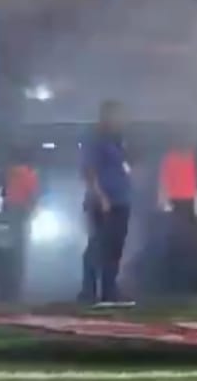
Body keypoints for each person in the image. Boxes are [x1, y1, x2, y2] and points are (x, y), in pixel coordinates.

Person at [80, 100, 134, 306]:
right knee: (97, 246)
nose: (121, 119)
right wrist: (101, 196)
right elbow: (89, 170)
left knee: (115, 248)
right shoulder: (95, 139)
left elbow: (123, 166)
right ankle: (88, 292)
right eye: (117, 115)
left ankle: (110, 291)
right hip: (103, 201)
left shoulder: (118, 140)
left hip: (121, 200)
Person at [157, 138, 197, 292]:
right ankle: (173, 277)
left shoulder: (191, 157)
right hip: (175, 201)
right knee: (176, 239)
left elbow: (195, 183)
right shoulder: (171, 157)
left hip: (187, 201)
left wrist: (196, 204)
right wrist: (163, 201)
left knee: (186, 239)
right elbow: (164, 181)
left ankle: (184, 276)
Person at [0, 150, 39, 301]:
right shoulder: (30, 174)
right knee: (21, 244)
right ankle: (18, 277)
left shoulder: (10, 173)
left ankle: (9, 276)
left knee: (11, 242)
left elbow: (5, 192)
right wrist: (33, 210)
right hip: (23, 210)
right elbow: (32, 195)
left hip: (11, 209)